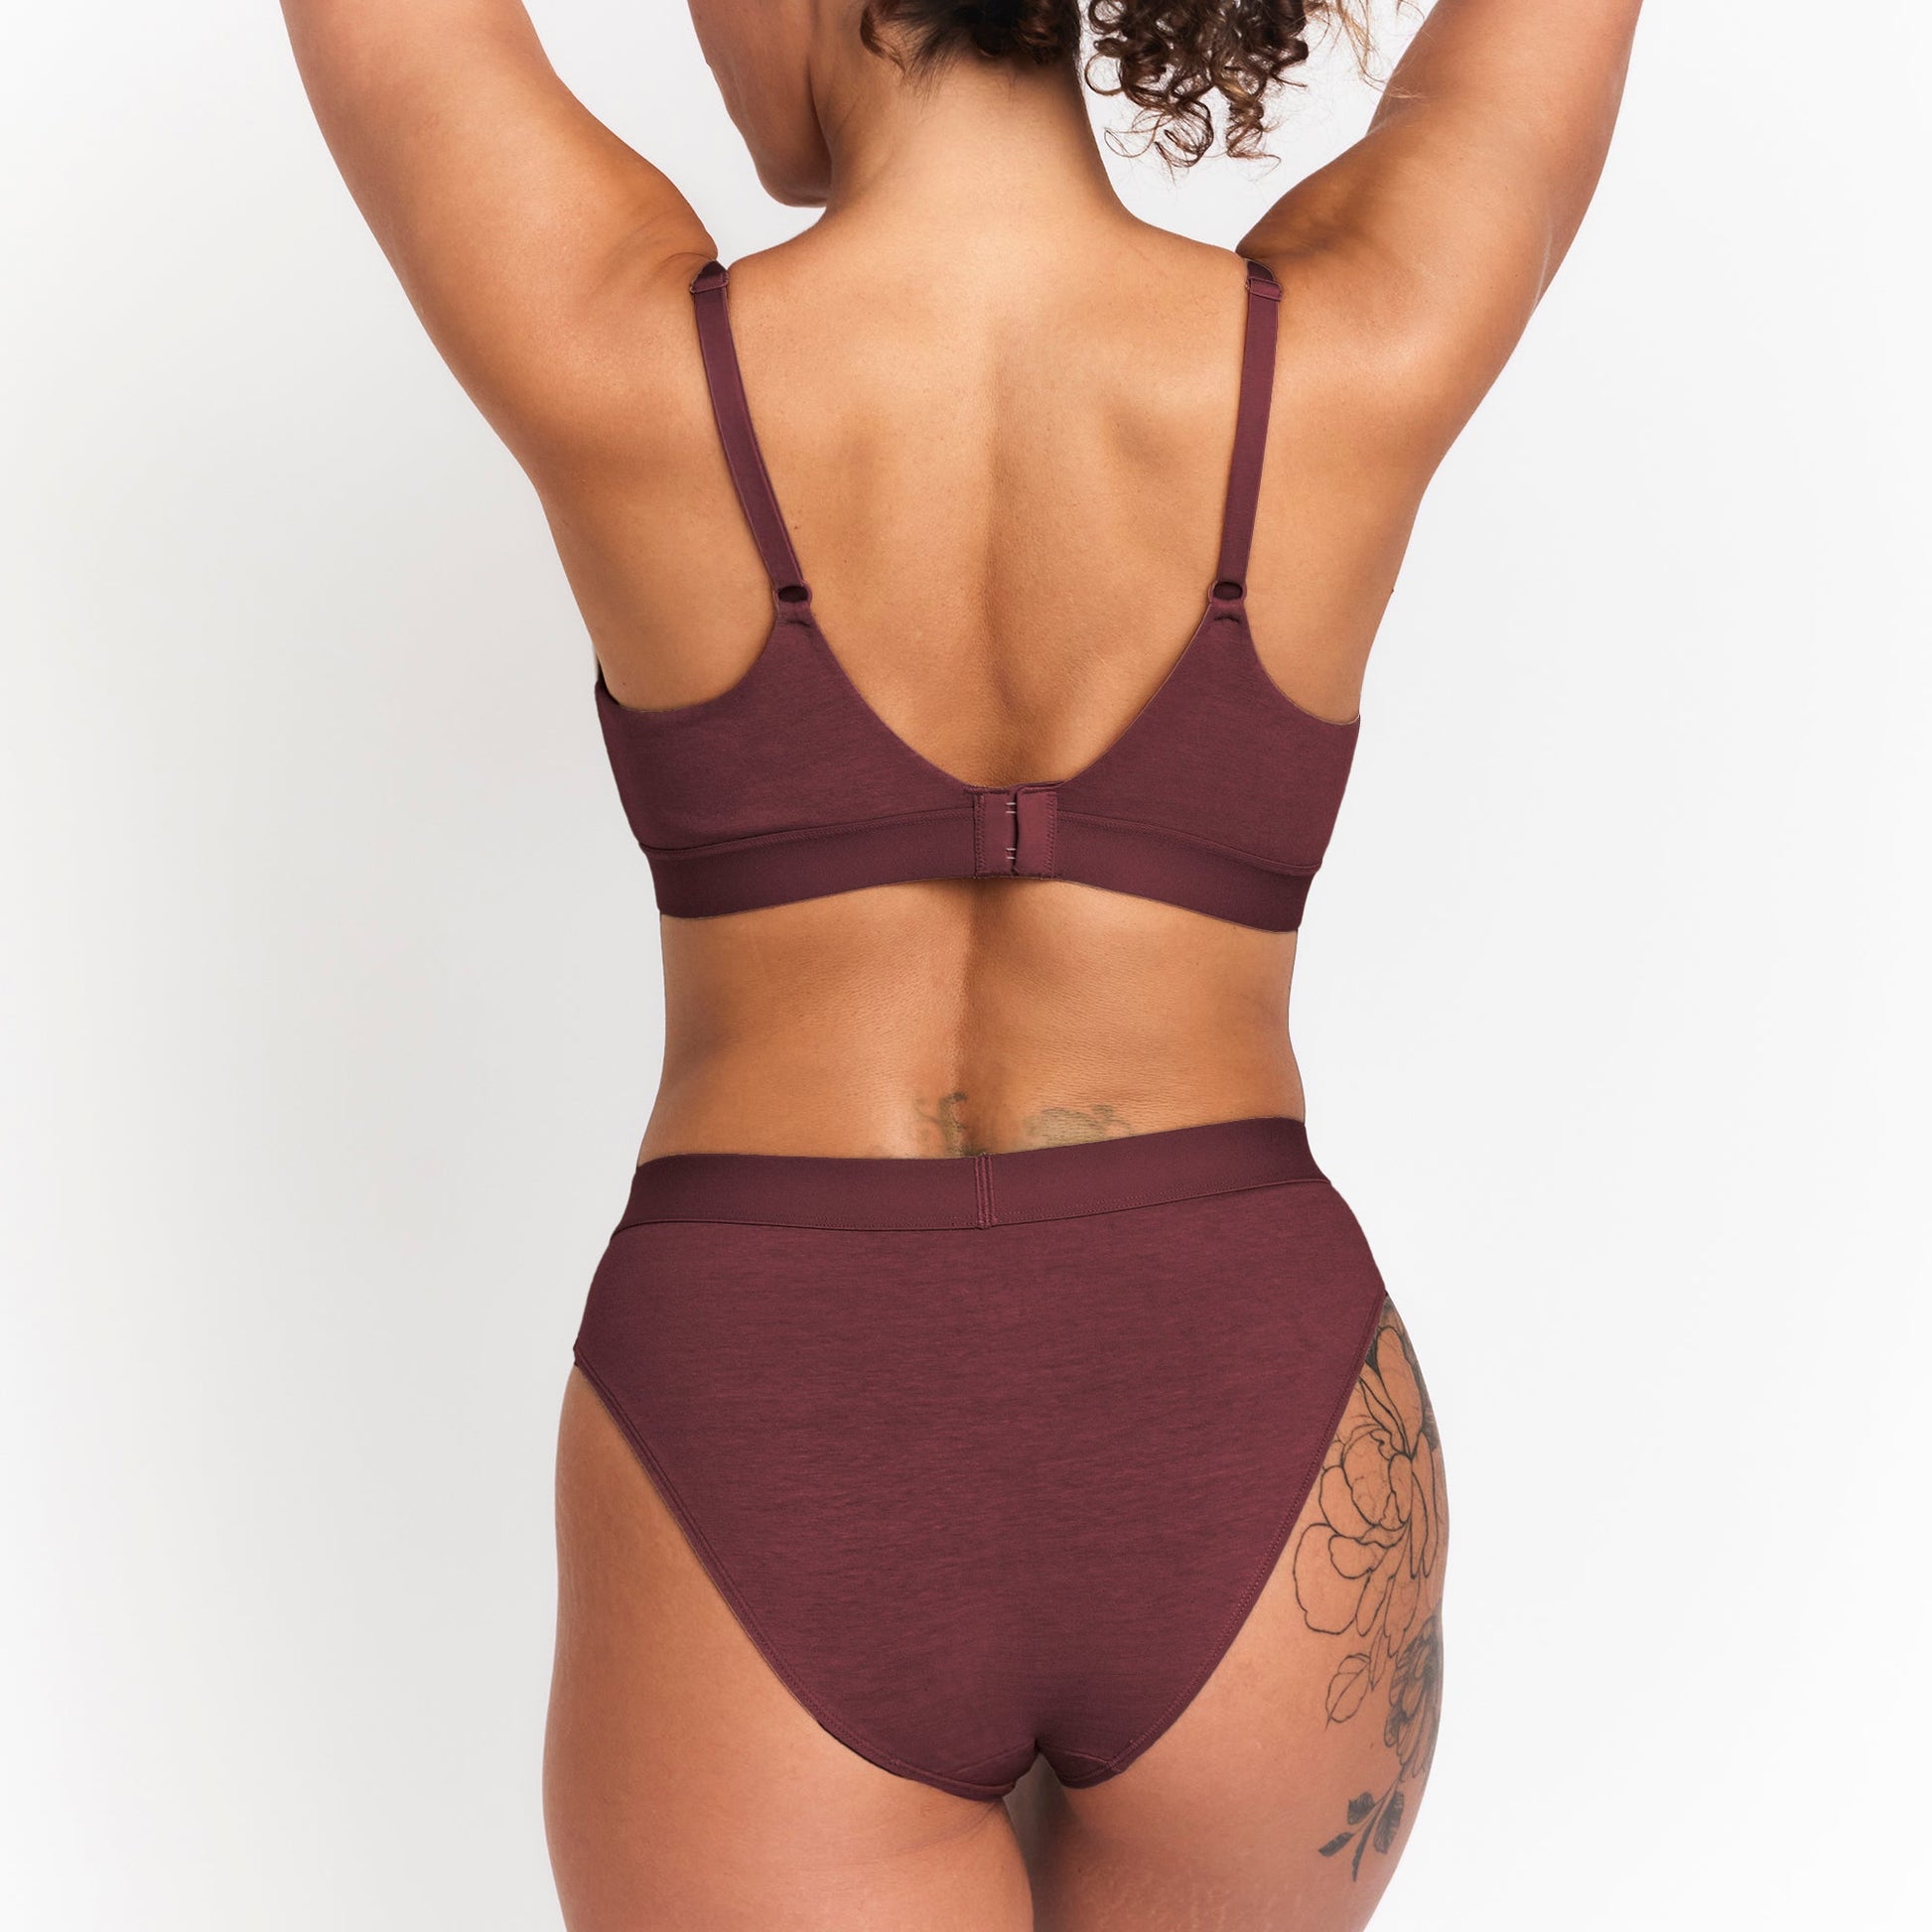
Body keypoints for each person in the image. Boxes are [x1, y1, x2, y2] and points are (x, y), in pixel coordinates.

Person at [282, 1, 1641, 1923]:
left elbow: (398, 47)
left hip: (774, 1395)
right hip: (1240, 1407)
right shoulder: (1352, 347)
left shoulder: (620, 359)